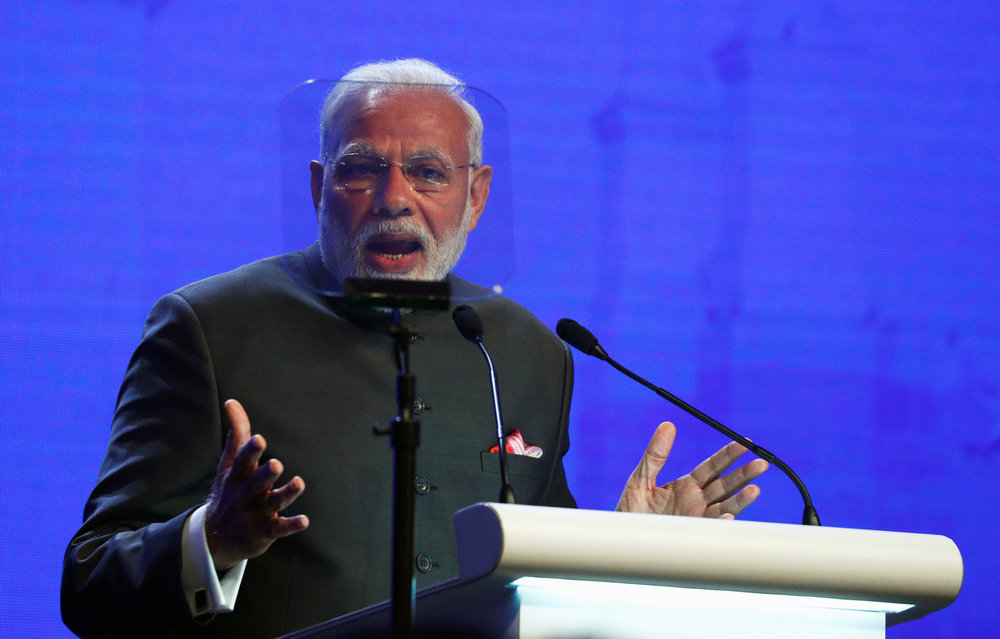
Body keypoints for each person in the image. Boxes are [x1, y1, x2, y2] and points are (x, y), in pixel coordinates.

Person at [61, 59, 768, 638]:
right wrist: (211, 539)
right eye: (361, 168)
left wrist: (629, 551)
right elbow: (89, 582)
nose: (393, 197)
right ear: (318, 187)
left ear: (478, 195)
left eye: (429, 172)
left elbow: (538, 590)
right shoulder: (209, 326)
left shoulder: (527, 349)